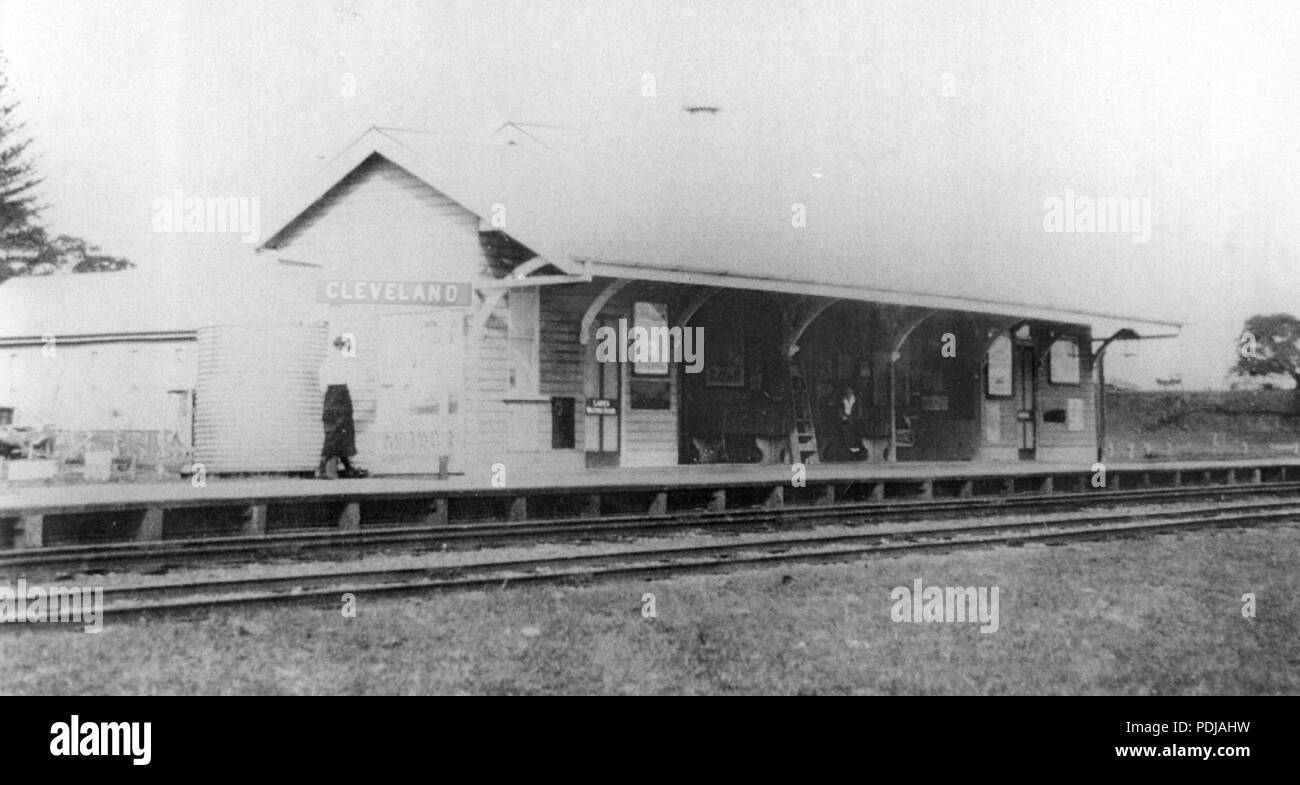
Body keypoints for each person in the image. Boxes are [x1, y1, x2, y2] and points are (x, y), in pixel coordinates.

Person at [318, 333, 368, 479]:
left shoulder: (326, 363)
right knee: (340, 432)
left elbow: (322, 386)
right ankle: (327, 468)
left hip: (331, 396)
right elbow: (355, 381)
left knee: (334, 432)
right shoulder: (344, 362)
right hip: (340, 395)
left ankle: (339, 467)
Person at [821, 384, 870, 462]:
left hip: (854, 422)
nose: (848, 392)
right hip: (844, 421)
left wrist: (851, 418)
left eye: (849, 390)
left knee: (853, 436)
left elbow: (858, 413)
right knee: (841, 434)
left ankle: (856, 454)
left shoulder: (856, 401)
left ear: (852, 391)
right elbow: (840, 411)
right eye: (846, 391)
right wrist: (843, 417)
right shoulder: (842, 400)